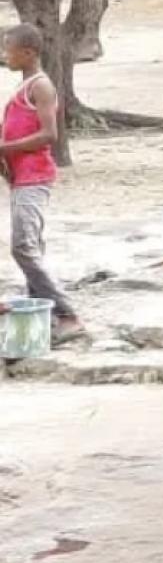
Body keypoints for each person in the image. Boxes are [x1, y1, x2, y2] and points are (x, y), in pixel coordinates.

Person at [2, 24, 82, 344]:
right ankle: (41, 309)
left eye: (8, 50)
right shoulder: (24, 87)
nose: (4, 56)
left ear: (29, 53)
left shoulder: (42, 86)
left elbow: (50, 135)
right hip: (22, 177)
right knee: (31, 245)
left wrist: (3, 149)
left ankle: (68, 314)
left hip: (34, 176)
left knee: (23, 247)